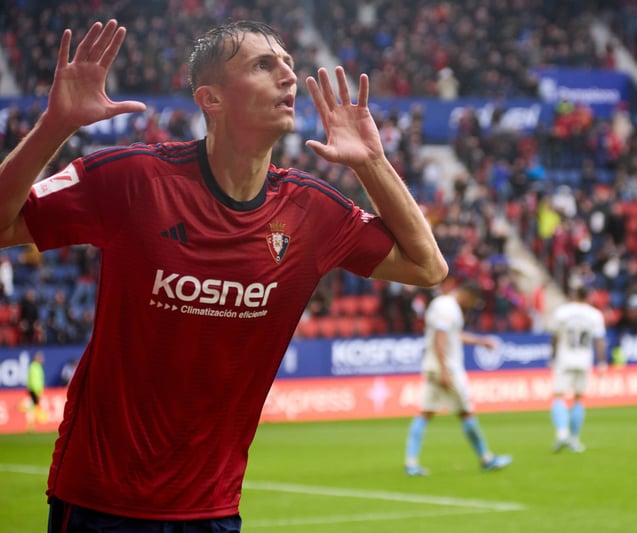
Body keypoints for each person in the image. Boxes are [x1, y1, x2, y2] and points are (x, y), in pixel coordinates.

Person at [0, 19, 448, 531]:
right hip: (101, 504)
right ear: (210, 99)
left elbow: (428, 267)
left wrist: (371, 162)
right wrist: (54, 126)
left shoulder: (312, 210)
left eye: (289, 65)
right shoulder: (135, 178)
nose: (288, 76)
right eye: (264, 65)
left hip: (213, 510)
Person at [404, 277, 512, 475]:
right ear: (468, 296)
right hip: (448, 368)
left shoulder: (443, 305)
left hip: (434, 366)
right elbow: (440, 338)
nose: (471, 306)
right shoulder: (448, 308)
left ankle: (411, 463)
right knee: (466, 412)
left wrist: (481, 342)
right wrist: (444, 370)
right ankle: (486, 459)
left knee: (425, 413)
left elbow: (452, 335)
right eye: (473, 302)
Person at [548, 284, 607, 453]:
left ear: (573, 295)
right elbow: (599, 341)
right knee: (578, 399)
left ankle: (562, 434)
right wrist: (601, 362)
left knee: (558, 396)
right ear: (588, 297)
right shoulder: (594, 315)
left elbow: (555, 337)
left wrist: (552, 357)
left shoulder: (563, 312)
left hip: (564, 359)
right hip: (584, 360)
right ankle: (574, 439)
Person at [26, 350, 48, 426]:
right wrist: (37, 391)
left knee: (34, 407)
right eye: (40, 358)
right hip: (35, 390)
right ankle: (32, 424)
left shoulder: (37, 367)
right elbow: (34, 380)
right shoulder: (34, 367)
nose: (42, 359)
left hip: (36, 390)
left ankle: (33, 424)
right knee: (34, 407)